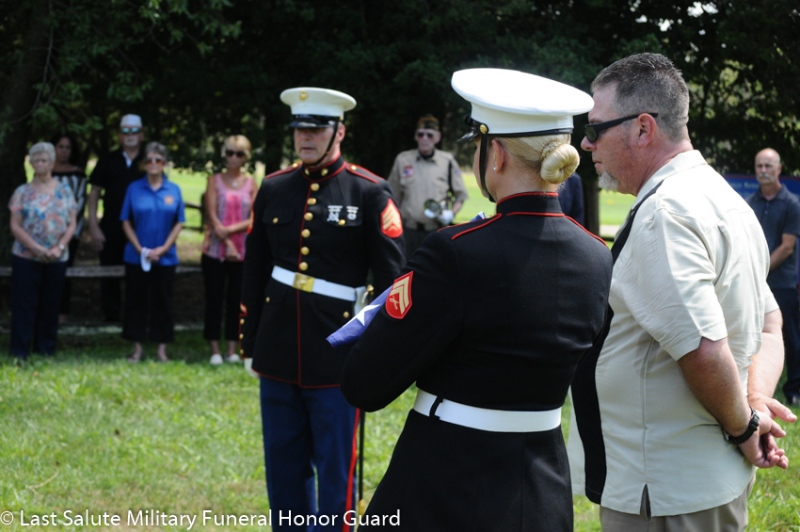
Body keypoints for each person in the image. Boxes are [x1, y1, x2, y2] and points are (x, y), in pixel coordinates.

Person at [340, 68, 612, 531]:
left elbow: (364, 385)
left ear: (497, 154)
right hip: (542, 493)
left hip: (444, 486)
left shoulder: (455, 252)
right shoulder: (596, 256)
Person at [569, 52, 795, 531]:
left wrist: (745, 427)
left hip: (666, 491)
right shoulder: (724, 198)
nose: (586, 144)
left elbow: (703, 350)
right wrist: (755, 400)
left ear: (643, 128)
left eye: (595, 129)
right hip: (695, 482)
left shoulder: (665, 213)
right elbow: (768, 323)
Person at [240, 87, 405, 530]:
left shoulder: (368, 192)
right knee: (283, 464)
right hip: (277, 348)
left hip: (336, 353)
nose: (306, 137)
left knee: (336, 468)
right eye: (300, 129)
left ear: (339, 132)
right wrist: (250, 341)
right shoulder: (274, 188)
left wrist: (370, 349)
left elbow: (392, 283)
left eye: (316, 129)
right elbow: (254, 270)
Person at [8, 142, 77, 359]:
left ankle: (45, 350)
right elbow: (15, 225)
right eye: (36, 160)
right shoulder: (22, 192)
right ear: (31, 163)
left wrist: (60, 247)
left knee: (50, 305)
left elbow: (72, 223)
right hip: (26, 256)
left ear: (52, 162)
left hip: (57, 257)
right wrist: (36, 248)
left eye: (44, 160)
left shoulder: (64, 191)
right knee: (24, 305)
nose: (40, 164)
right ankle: (20, 351)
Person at [120, 142, 185, 362]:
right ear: (143, 164)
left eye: (158, 160)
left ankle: (161, 350)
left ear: (164, 163)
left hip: (166, 258)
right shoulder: (134, 188)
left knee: (163, 302)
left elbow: (179, 222)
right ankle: (137, 349)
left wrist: (164, 248)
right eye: (149, 160)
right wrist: (141, 249)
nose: (154, 163)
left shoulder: (174, 190)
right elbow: (125, 221)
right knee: (135, 301)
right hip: (136, 257)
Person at [746, 148, 800, 406]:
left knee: (790, 337)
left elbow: (787, 246)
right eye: (759, 166)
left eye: (768, 166)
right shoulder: (749, 203)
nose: (763, 171)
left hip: (782, 284)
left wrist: (758, 269)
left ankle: (794, 389)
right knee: (749, 334)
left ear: (779, 169)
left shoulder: (791, 204)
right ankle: (753, 387)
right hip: (753, 283)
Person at [202, 135, 256, 365]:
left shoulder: (251, 184)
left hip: (242, 253)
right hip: (215, 251)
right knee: (214, 299)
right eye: (230, 152)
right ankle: (214, 349)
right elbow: (212, 214)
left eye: (239, 153)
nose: (234, 157)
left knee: (237, 301)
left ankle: (232, 349)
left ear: (246, 157)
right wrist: (227, 241)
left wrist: (231, 231)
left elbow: (253, 217)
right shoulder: (214, 181)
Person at [87, 114, 145, 322]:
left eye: (134, 131)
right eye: (125, 131)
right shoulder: (107, 160)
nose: (130, 135)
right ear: (119, 135)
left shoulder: (150, 160)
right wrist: (93, 226)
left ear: (141, 134)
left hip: (141, 229)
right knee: (109, 273)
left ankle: (134, 319)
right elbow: (94, 193)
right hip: (110, 227)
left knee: (138, 274)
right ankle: (111, 318)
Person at [387, 114, 468, 257]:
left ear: (437, 137)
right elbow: (392, 196)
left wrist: (452, 214)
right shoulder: (403, 160)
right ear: (416, 136)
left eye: (430, 135)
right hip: (408, 231)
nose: (425, 138)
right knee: (406, 268)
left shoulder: (447, 161)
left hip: (436, 231)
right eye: (421, 134)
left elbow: (460, 195)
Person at [50, 132, 88, 323]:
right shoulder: (45, 171)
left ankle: (62, 313)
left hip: (70, 231)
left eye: (68, 148)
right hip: (46, 232)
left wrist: (68, 229)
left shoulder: (77, 174)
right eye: (60, 147)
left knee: (65, 271)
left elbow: (80, 203)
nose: (64, 151)